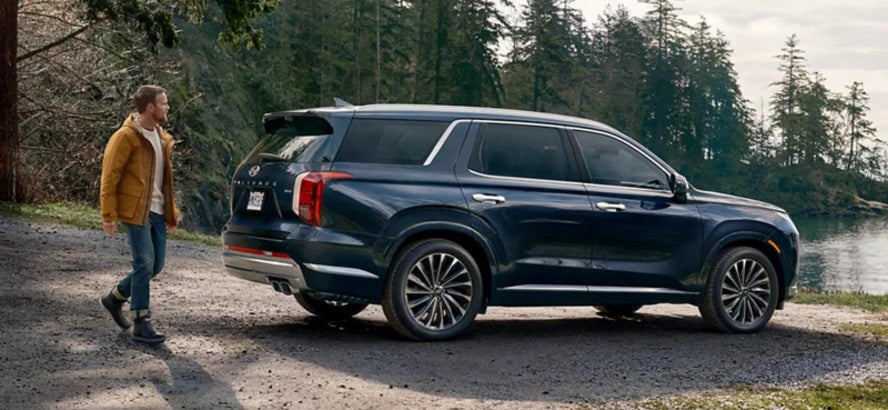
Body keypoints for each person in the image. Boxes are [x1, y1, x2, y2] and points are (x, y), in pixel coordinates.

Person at [99, 85, 180, 344]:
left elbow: (165, 181)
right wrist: (108, 213)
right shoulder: (126, 137)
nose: (167, 107)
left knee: (155, 265)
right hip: (136, 211)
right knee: (143, 264)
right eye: (163, 103)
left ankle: (114, 298)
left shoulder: (162, 136)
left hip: (157, 211)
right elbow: (110, 176)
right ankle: (141, 321)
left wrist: (171, 211)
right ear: (150, 107)